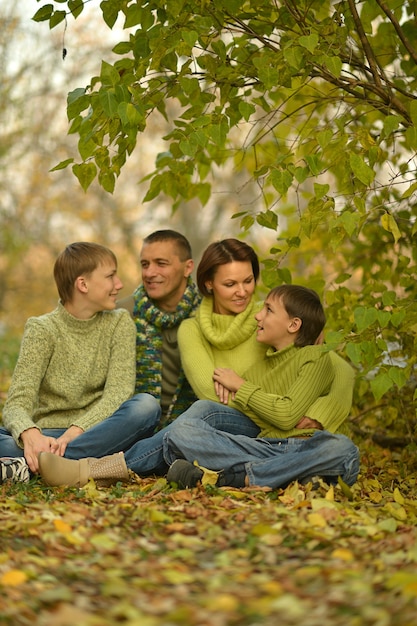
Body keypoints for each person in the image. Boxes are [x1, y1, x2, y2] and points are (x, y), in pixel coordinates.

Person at [37, 243, 354, 488]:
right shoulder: (197, 328)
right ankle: (284, 472)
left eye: (248, 281)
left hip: (273, 427)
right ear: (209, 284)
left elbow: (336, 366)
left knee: (340, 449)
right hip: (244, 426)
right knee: (193, 422)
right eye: (230, 283)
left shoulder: (275, 319)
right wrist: (257, 397)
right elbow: (211, 395)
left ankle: (238, 474)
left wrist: (320, 411)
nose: (242, 292)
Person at [164, 284, 360, 490]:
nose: (258, 316)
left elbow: (286, 415)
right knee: (181, 432)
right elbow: (258, 412)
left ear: (293, 325)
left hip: (310, 447)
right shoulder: (259, 369)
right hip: (264, 448)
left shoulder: (314, 357)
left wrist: (240, 386)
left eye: (268, 310)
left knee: (343, 449)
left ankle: (235, 477)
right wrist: (236, 388)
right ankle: (295, 476)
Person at [0, 242, 160, 484]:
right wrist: (30, 434)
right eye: (110, 276)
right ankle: (84, 465)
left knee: (146, 406)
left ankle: (34, 465)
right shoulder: (42, 329)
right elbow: (16, 404)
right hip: (49, 436)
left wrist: (76, 432)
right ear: (83, 284)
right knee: (11, 437)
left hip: (99, 432)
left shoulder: (118, 323)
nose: (119, 284)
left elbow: (118, 393)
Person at [117, 229, 201, 428]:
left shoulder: (207, 317)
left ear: (188, 268)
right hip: (128, 432)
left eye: (161, 264)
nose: (149, 273)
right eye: (145, 264)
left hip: (187, 434)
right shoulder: (122, 314)